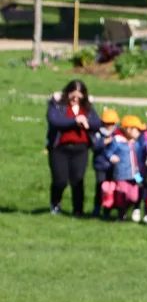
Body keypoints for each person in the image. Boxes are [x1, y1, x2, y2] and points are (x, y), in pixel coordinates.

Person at [46, 79, 101, 216]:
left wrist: (85, 121)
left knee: (78, 179)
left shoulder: (87, 108)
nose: (75, 99)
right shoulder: (57, 105)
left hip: (80, 148)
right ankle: (55, 203)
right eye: (73, 96)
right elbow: (54, 120)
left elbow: (97, 123)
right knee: (60, 180)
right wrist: (74, 121)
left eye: (78, 97)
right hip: (59, 148)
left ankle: (78, 210)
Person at [100, 115, 146, 220]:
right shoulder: (117, 141)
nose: (139, 133)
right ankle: (121, 215)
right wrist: (111, 157)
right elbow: (108, 152)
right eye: (137, 130)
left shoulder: (136, 143)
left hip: (135, 174)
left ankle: (120, 209)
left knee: (134, 197)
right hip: (121, 174)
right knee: (122, 195)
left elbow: (140, 158)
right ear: (128, 129)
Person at [90, 108, 120, 217]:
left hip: (113, 166)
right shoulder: (98, 133)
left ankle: (108, 209)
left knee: (111, 188)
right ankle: (97, 208)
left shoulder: (117, 133)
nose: (110, 126)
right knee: (100, 187)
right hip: (100, 165)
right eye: (108, 123)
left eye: (112, 123)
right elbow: (94, 146)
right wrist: (104, 142)